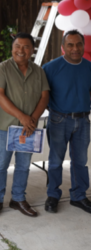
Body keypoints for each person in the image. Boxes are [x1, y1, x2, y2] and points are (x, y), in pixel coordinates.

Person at [0, 33, 49, 218]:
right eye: (18, 46)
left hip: (29, 129)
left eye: (26, 47)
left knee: (23, 165)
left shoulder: (39, 71)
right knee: (1, 165)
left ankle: (18, 199)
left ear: (32, 50)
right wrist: (23, 117)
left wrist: (32, 120)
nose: (21, 50)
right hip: (6, 127)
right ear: (12, 48)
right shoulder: (2, 68)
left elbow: (44, 96)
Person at [41, 30, 91, 214]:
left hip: (83, 120)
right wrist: (55, 112)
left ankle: (79, 196)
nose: (75, 48)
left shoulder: (89, 67)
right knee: (55, 160)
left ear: (83, 46)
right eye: (70, 44)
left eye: (78, 44)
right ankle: (53, 195)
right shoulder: (51, 68)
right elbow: (43, 96)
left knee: (81, 161)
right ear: (63, 47)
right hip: (58, 119)